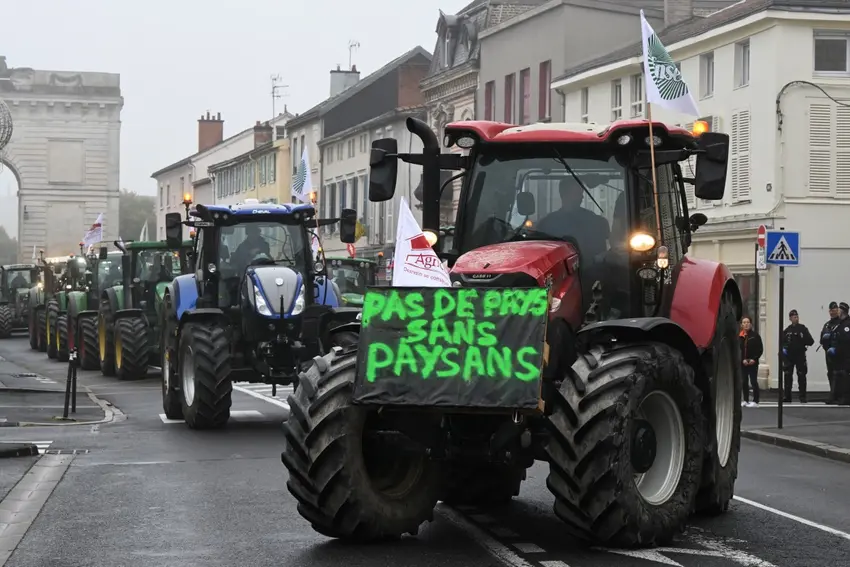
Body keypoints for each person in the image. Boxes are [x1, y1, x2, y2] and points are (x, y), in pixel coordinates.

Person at [535, 177, 610, 261]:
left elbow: (602, 255)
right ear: (564, 194)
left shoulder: (596, 221)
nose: (582, 197)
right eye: (578, 193)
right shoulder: (546, 224)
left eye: (581, 193)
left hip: (590, 271)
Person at [781, 309, 815, 403]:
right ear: (790, 318)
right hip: (789, 356)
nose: (796, 318)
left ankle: (802, 396)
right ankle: (787, 396)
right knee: (788, 376)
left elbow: (811, 341)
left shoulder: (802, 329)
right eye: (794, 317)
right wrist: (783, 350)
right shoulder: (787, 330)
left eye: (797, 316)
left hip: (800, 355)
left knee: (801, 375)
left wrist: (803, 338)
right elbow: (782, 342)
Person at [827, 302, 850, 405]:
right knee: (836, 375)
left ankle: (845, 398)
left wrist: (837, 350)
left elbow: (846, 341)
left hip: (845, 356)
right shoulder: (840, 324)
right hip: (838, 357)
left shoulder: (847, 324)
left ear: (843, 311)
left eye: (839, 310)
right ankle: (835, 397)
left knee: (844, 377)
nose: (837, 312)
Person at [820, 301, 842, 404]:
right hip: (829, 354)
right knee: (831, 374)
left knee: (839, 375)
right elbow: (822, 340)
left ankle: (837, 396)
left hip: (839, 354)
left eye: (835, 310)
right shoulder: (827, 325)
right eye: (832, 310)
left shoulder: (842, 323)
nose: (833, 312)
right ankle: (833, 395)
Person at [739, 316, 764, 408]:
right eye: (744, 322)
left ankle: (755, 400)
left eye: (748, 322)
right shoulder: (740, 336)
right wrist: (742, 360)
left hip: (753, 362)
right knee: (744, 381)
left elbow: (760, 349)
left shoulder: (755, 336)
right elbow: (738, 350)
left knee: (753, 381)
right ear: (741, 325)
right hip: (743, 363)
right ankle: (745, 399)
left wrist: (754, 359)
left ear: (751, 324)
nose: (746, 324)